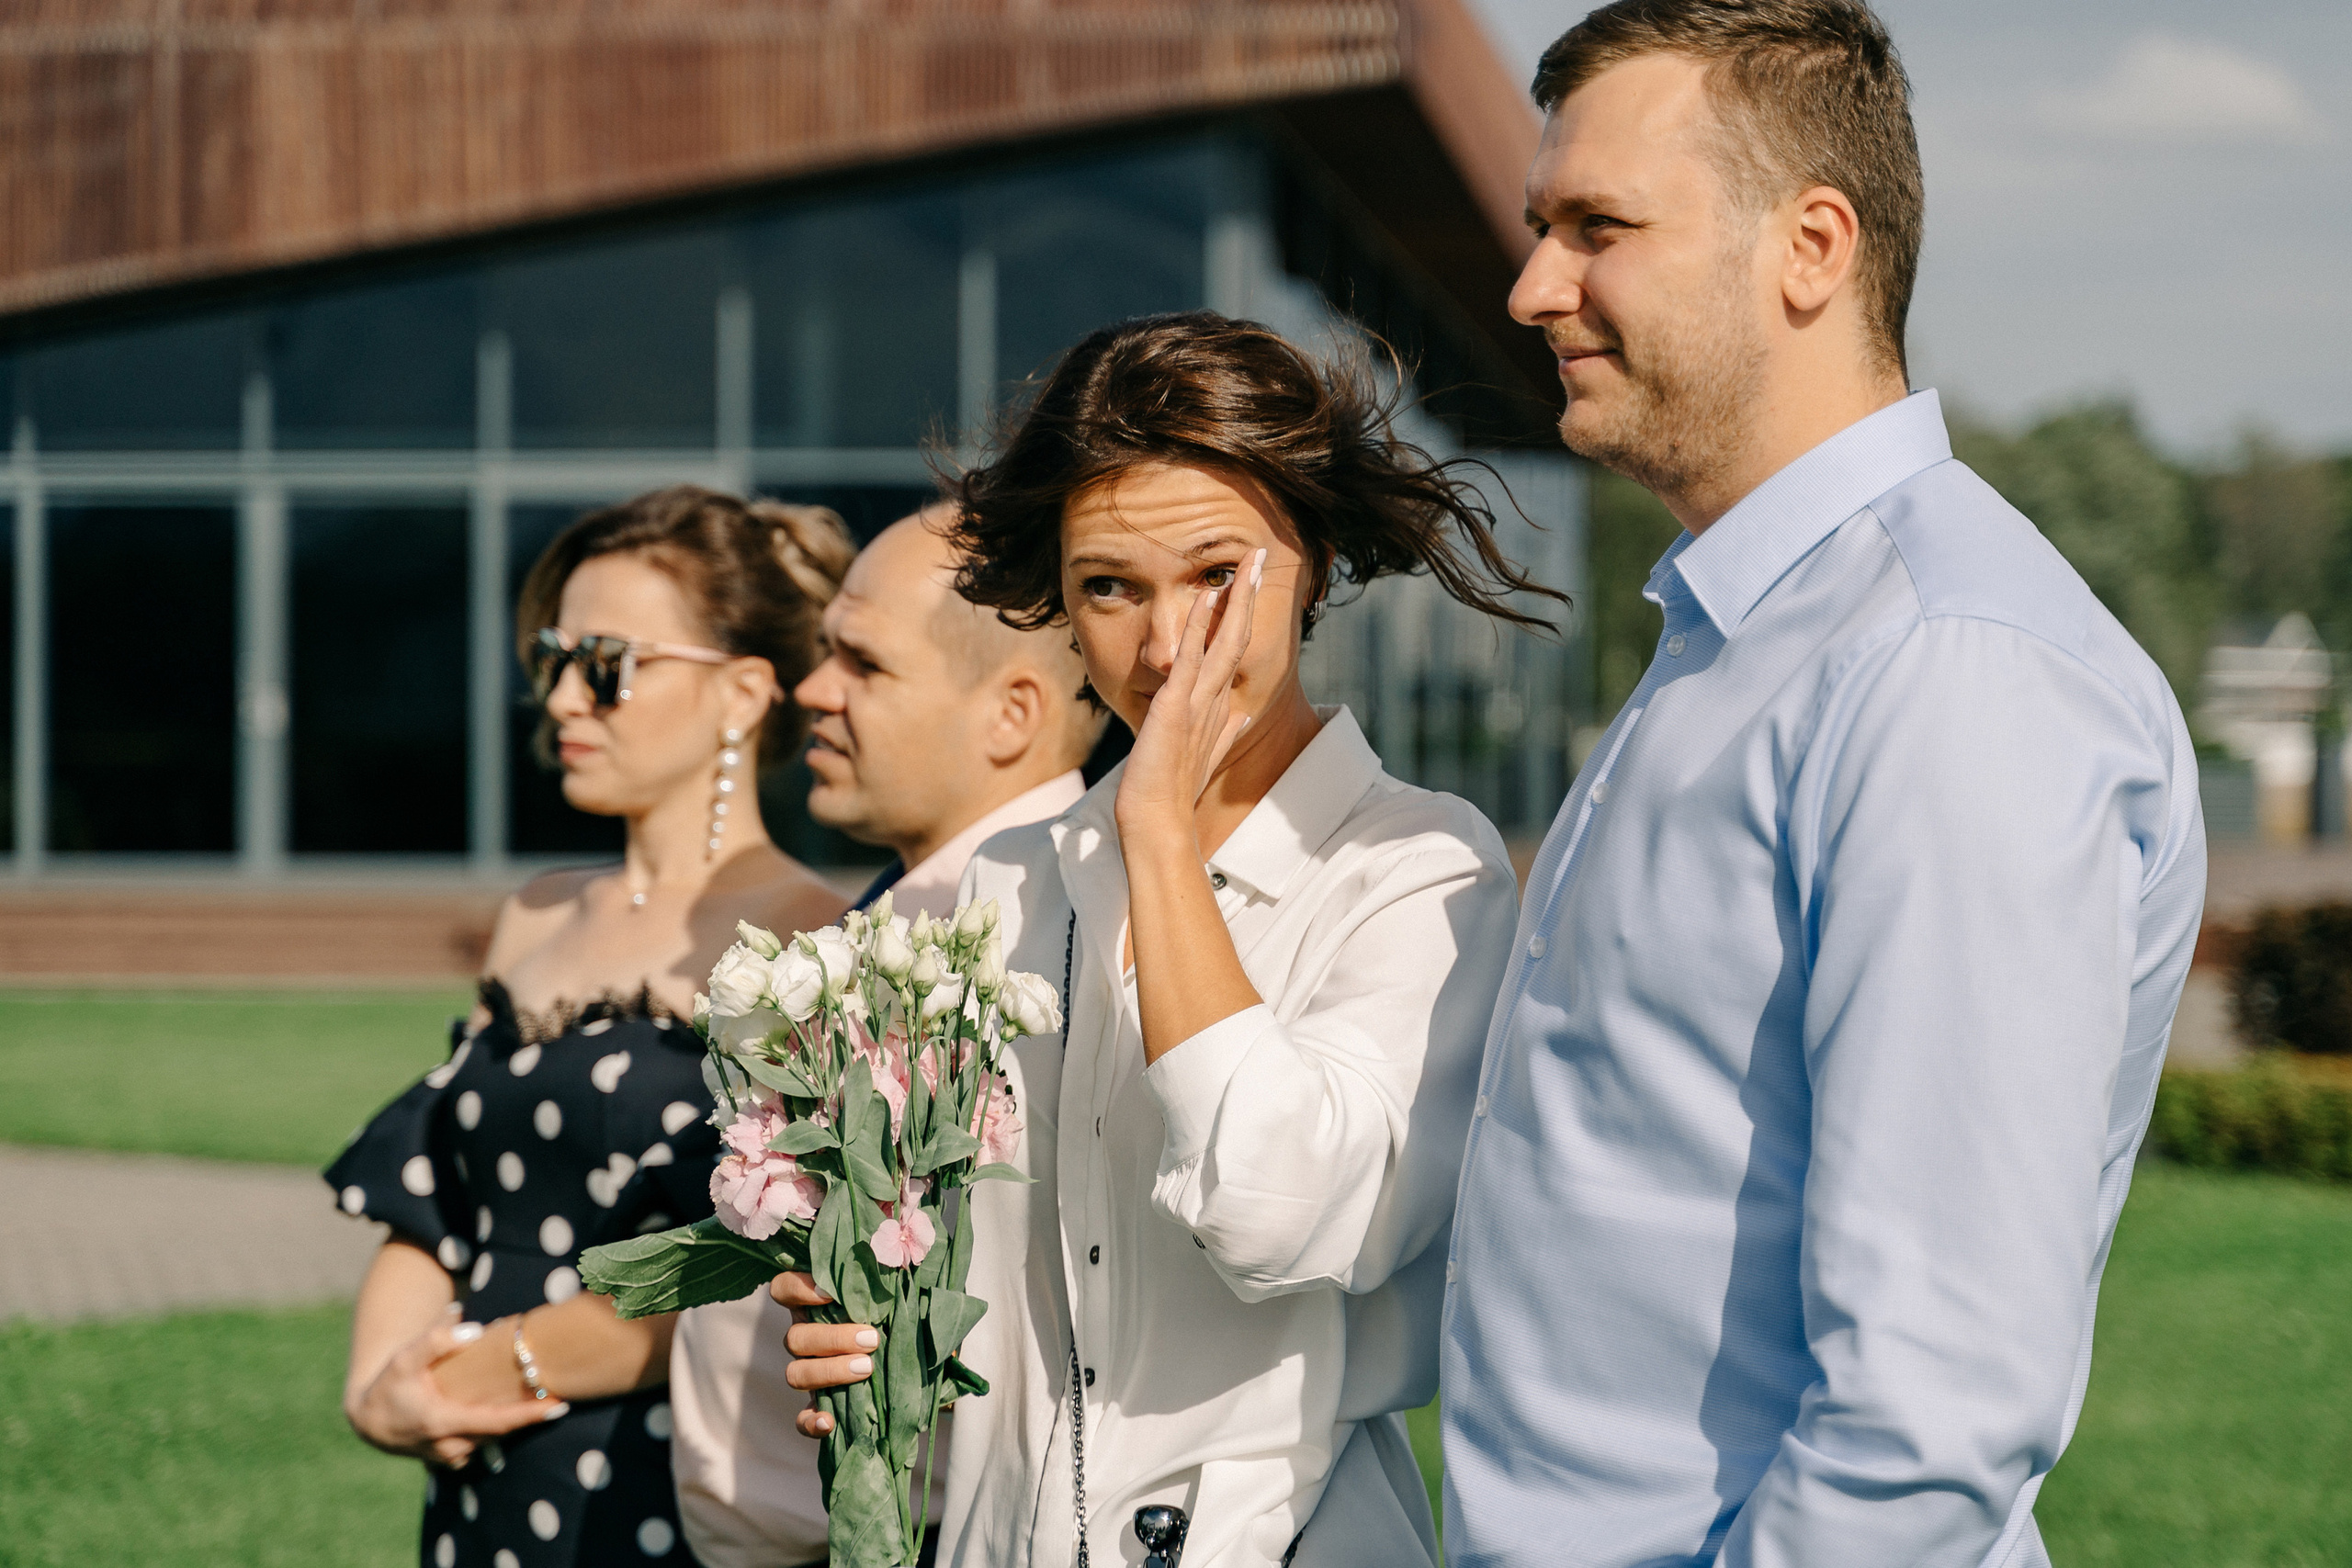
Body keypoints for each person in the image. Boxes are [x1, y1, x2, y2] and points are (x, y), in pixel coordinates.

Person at [1440, 6, 2206, 1566]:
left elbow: (1931, 1412)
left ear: (1811, 246)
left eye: (1599, 228)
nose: (1532, 288)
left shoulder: (1948, 673)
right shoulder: (1747, 633)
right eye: (1540, 229)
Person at [777, 310, 1554, 1567]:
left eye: (1217, 576)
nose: (1163, 647)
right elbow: (979, 1288)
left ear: (1315, 554)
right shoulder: (1010, 883)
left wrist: (1158, 842)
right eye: (1108, 587)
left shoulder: (1421, 866)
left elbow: (1278, 1213)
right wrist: (871, 1325)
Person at [327, 484, 855, 1567]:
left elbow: (757, 1267)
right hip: (475, 1470)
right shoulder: (532, 914)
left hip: (661, 1480)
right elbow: (433, 1192)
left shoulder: (819, 938)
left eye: (607, 665)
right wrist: (380, 1387)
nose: (565, 697)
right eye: (552, 662)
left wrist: (490, 1370)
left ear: (744, 693)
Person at [666, 504, 1105, 1568]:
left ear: (1011, 713)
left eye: (861, 661)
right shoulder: (917, 924)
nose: (813, 690)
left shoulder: (999, 965)